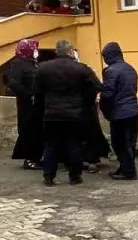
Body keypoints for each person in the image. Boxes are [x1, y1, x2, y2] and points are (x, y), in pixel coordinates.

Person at [37, 39, 101, 186]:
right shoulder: (81, 68)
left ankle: (48, 176)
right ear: (71, 51)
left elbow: (37, 91)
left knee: (51, 145)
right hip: (75, 113)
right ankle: (74, 176)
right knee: (74, 144)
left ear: (56, 51)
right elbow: (97, 86)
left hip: (51, 113)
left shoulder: (43, 68)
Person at [100, 42, 138, 180]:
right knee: (129, 143)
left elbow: (107, 94)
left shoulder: (111, 71)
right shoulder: (130, 69)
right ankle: (125, 168)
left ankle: (128, 172)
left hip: (119, 113)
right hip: (133, 111)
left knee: (119, 144)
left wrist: (104, 109)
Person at [6, 39, 43, 170]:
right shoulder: (17, 64)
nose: (36, 52)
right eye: (34, 49)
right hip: (27, 104)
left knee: (37, 130)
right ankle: (29, 158)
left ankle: (38, 156)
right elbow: (13, 83)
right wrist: (28, 94)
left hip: (37, 103)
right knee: (28, 129)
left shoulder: (33, 64)